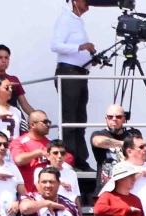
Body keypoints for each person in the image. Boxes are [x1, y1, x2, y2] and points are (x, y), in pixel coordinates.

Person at [48, 0, 94, 171]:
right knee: (70, 118)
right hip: (69, 73)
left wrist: (90, 58)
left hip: (80, 74)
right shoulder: (66, 18)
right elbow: (55, 45)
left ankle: (80, 159)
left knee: (80, 118)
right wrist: (80, 47)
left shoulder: (78, 21)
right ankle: (70, 159)